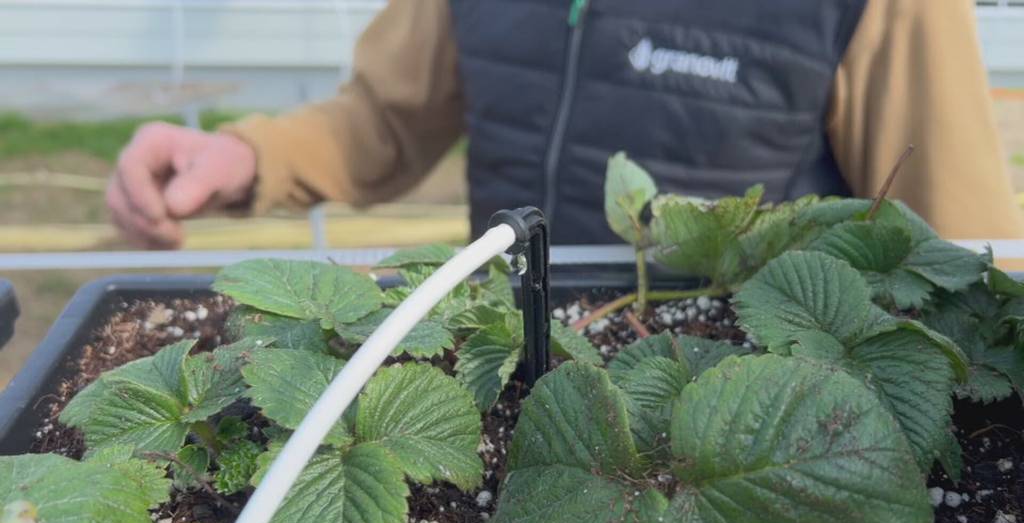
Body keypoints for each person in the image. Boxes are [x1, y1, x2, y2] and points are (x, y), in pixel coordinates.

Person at [107, 0, 1024, 249]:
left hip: (742, 437)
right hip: (519, 379)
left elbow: (960, 241)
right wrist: (241, 154)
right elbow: (386, 116)